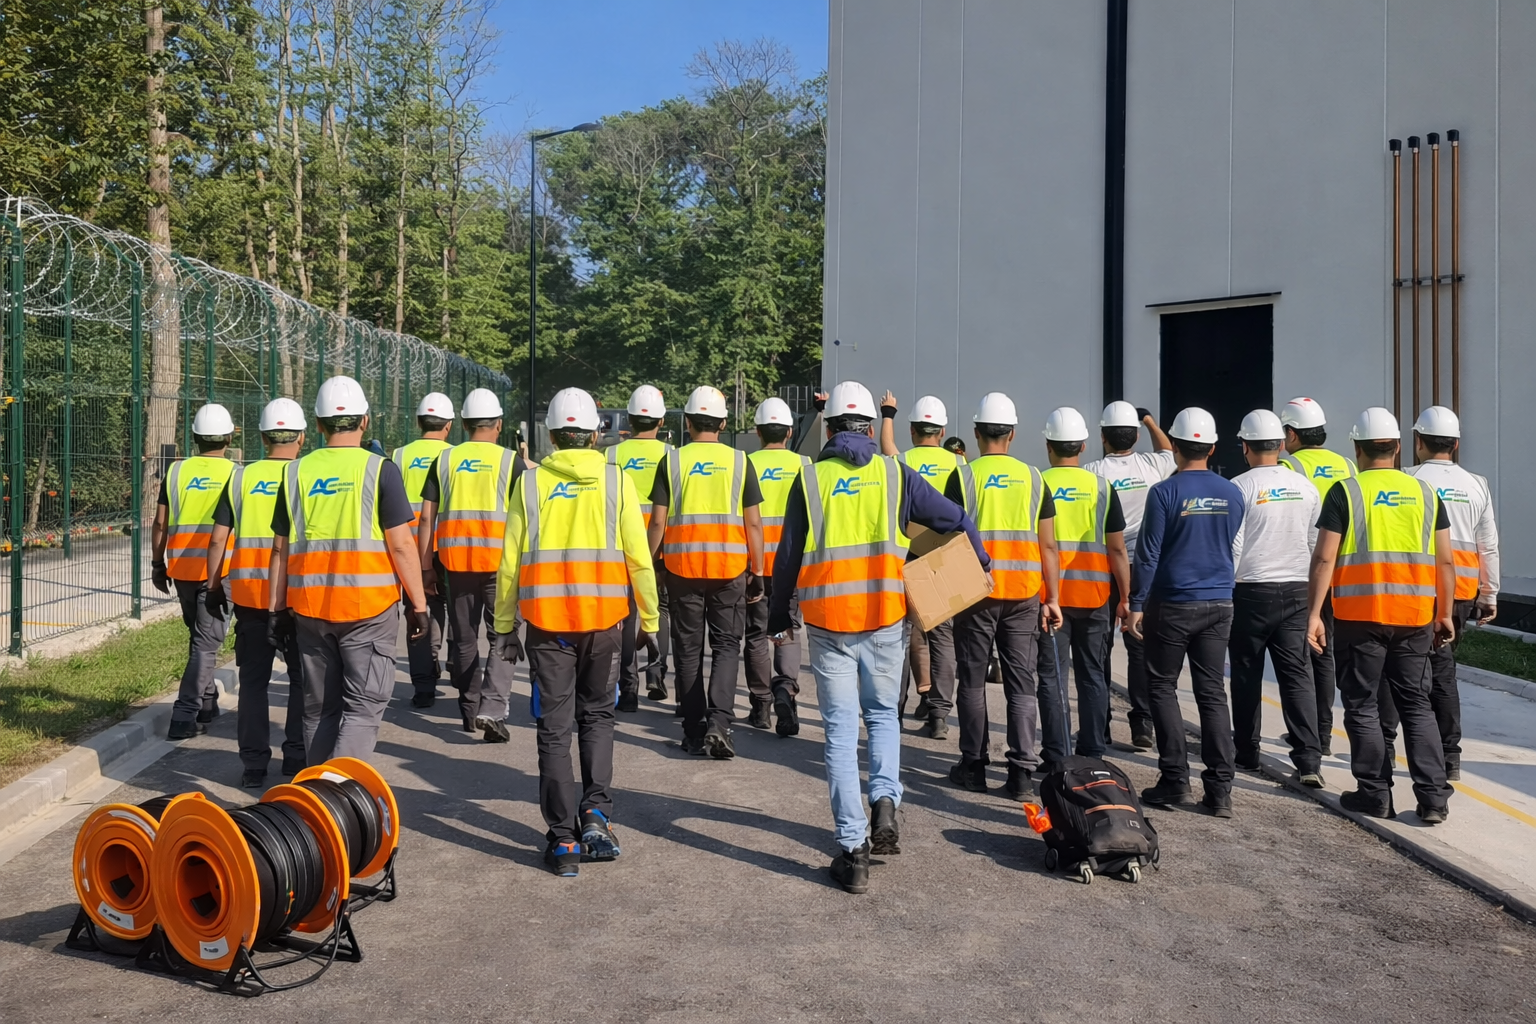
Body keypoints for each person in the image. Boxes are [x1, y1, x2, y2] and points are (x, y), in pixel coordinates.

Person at [768, 381, 989, 894]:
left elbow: (787, 556)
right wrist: (979, 560)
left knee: (841, 733)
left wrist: (779, 617)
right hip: (886, 618)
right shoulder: (895, 473)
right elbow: (955, 518)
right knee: (883, 716)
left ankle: (853, 850)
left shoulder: (810, 477)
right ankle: (885, 801)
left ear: (829, 428)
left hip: (829, 622)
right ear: (870, 427)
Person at [493, 388, 660, 877]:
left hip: (548, 627)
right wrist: (650, 619)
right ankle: (596, 817)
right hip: (604, 623)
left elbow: (509, 562)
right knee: (599, 718)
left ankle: (562, 839)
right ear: (595, 434)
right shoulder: (616, 481)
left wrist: (504, 625)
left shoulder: (529, 484)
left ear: (551, 435)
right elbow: (638, 558)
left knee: (554, 728)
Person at [268, 376, 431, 763]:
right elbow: (401, 545)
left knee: (318, 711)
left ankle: (317, 790)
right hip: (368, 609)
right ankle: (336, 789)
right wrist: (419, 604)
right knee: (363, 708)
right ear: (365, 421)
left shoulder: (294, 473)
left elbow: (279, 548)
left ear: (318, 425)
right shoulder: (380, 469)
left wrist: (277, 609)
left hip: (310, 609)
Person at [1305, 407, 1455, 824]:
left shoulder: (1346, 491)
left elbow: (1324, 558)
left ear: (1357, 449)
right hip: (1415, 615)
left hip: (1360, 616)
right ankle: (1433, 799)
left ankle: (1374, 794)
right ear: (1398, 448)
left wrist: (1314, 613)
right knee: (1417, 705)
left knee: (1362, 704)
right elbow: (1445, 561)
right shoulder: (1425, 492)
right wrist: (1444, 613)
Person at [1127, 407, 1244, 818]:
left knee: (1162, 687)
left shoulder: (1164, 492)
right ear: (1212, 448)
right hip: (1220, 602)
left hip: (1173, 601)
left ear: (1174, 446)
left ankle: (1175, 780)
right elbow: (1231, 542)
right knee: (1212, 692)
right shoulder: (1232, 492)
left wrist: (1136, 603)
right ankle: (1220, 790)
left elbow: (1148, 554)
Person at [946, 393, 1062, 799]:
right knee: (1021, 683)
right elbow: (1049, 546)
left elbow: (948, 539)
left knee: (972, 680)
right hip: (1024, 593)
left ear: (976, 433)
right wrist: (1052, 598)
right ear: (1012, 433)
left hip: (976, 593)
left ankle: (973, 766)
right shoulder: (1034, 478)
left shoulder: (963, 477)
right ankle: (1022, 775)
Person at [646, 386, 765, 758]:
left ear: (687, 421)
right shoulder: (740, 461)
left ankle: (694, 730)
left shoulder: (672, 462)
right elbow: (754, 523)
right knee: (727, 646)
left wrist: (651, 563)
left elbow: (658, 522)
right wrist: (758, 570)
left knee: (688, 649)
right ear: (723, 423)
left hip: (682, 569)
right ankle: (720, 724)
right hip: (730, 569)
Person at [417, 387, 530, 742]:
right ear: (499, 424)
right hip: (500, 565)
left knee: (464, 639)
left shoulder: (445, 460)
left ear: (463, 424)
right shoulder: (511, 461)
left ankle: (469, 712)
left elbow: (426, 518)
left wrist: (426, 567)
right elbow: (527, 516)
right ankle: (492, 709)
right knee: (503, 634)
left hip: (456, 563)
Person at [206, 398, 309, 788]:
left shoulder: (239, 478)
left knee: (252, 682)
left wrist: (214, 586)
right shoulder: (305, 475)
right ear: (302, 437)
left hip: (249, 597)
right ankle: (296, 757)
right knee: (301, 679)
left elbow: (218, 539)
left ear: (263, 438)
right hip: (295, 598)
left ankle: (253, 765)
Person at [1227, 409, 1324, 787]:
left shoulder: (1239, 487)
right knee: (1297, 675)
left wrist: (1227, 588)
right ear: (1282, 445)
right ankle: (1309, 759)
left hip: (1251, 590)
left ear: (1245, 446)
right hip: (1297, 589)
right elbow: (1315, 545)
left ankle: (1247, 752)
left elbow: (1234, 546)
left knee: (1246, 674)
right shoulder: (1306, 487)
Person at [1406, 406, 1500, 780]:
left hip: (1418, 589)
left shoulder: (1409, 479)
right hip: (1460, 593)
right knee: (1444, 670)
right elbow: (1488, 545)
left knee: (1407, 671)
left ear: (1418, 442)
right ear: (1456, 444)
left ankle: (1397, 748)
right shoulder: (1477, 484)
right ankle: (1449, 755)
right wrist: (1489, 594)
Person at [1037, 407, 1130, 764]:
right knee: (1092, 675)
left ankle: (1056, 755)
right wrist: (1126, 597)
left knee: (1053, 677)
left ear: (1049, 445)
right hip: (1094, 597)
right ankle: (1092, 754)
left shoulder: (1039, 483)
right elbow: (1117, 549)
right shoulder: (1102, 487)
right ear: (1083, 446)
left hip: (1051, 598)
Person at [1083, 400, 1174, 751]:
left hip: (1103, 566)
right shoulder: (1153, 465)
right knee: (1139, 645)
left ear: (1103, 437)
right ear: (1135, 436)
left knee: (1099, 647)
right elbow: (1168, 450)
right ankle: (1142, 723)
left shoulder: (1093, 472)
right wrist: (1149, 421)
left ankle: (1100, 725)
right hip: (1145, 566)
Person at [152, 403, 237, 740]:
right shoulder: (236, 474)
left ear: (195, 437)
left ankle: (207, 703)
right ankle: (184, 715)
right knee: (205, 643)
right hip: (219, 571)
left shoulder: (175, 472)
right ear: (229, 437)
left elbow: (160, 523)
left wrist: (158, 564)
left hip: (181, 569)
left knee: (201, 639)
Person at [879, 393, 961, 737]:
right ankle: (939, 714)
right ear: (942, 432)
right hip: (944, 555)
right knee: (942, 635)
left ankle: (894, 712)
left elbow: (886, 447)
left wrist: (887, 414)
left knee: (903, 634)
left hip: (908, 555)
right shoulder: (959, 464)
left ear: (913, 430)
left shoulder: (902, 462)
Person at [1279, 396, 1356, 755]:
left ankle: (1311, 734)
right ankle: (1323, 732)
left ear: (1292, 434)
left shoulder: (1288, 465)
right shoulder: (1347, 465)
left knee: (1306, 655)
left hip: (1307, 571)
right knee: (1328, 654)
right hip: (1346, 573)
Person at [743, 397, 812, 735]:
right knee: (786, 628)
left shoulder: (746, 464)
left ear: (757, 432)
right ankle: (785, 689)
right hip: (791, 564)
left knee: (756, 634)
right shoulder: (805, 465)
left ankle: (760, 706)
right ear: (789, 432)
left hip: (754, 565)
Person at [607, 384, 674, 710]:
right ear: (661, 421)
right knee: (660, 609)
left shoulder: (611, 455)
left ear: (629, 420)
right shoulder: (672, 456)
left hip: (621, 546)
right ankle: (656, 672)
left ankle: (628, 688)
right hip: (661, 548)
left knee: (627, 614)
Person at [393, 392, 455, 709]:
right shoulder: (454, 457)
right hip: (447, 548)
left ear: (419, 422)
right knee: (455, 609)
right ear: (449, 425)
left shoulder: (399, 455)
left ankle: (423, 685)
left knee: (418, 610)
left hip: (409, 548)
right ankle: (456, 664)